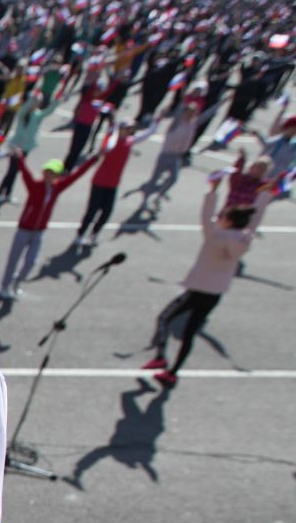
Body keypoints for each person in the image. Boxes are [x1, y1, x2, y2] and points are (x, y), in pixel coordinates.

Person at [141, 175, 275, 387]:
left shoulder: (215, 235)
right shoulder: (244, 238)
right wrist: (264, 196)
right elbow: (255, 219)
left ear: (228, 220)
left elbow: (206, 215)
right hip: (215, 292)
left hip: (197, 287)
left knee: (165, 319)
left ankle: (160, 356)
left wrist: (212, 191)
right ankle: (173, 372)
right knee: (190, 332)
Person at [0, 153, 96, 300]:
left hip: (39, 232)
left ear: (57, 175)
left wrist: (93, 159)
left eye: (53, 173)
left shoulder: (57, 188)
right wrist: (20, 158)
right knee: (13, 260)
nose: (49, 175)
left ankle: (17, 282)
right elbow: (24, 172)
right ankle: (5, 287)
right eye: (47, 171)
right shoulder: (34, 185)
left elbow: (76, 175)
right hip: (24, 229)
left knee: (31, 262)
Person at [72, 121, 142, 248]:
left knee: (107, 212)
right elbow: (107, 148)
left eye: (130, 129)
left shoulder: (129, 142)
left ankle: (94, 234)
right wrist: (115, 132)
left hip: (113, 184)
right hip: (100, 181)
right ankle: (80, 234)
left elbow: (147, 134)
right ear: (120, 129)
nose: (129, 131)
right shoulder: (110, 140)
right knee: (92, 211)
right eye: (127, 128)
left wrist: (157, 121)